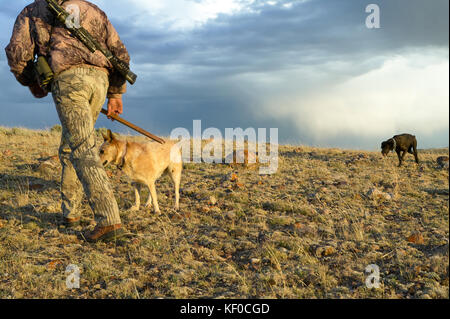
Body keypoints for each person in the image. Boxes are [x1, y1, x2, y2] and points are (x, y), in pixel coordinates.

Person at [5, 0, 131, 242]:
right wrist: (115, 92)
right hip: (100, 81)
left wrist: (31, 81)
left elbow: (17, 53)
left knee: (83, 147)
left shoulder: (34, 10)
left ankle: (109, 221)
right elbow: (121, 54)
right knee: (71, 145)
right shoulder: (94, 10)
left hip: (69, 80)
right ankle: (70, 213)